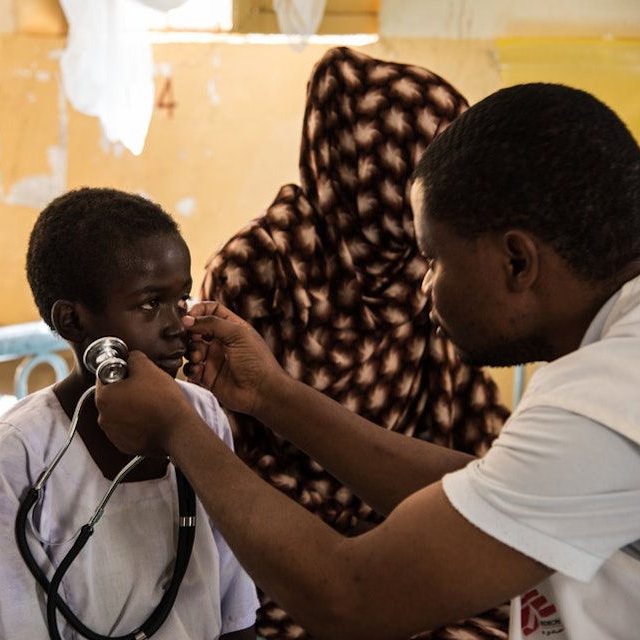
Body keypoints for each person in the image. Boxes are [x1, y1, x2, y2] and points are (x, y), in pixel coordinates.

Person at [93, 84, 640, 639]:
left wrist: (179, 428)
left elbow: (351, 596)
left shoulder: (609, 404)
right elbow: (489, 491)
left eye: (433, 259)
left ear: (517, 262)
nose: (422, 285)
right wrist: (270, 394)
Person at [200, 46, 510, 640]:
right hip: (284, 538)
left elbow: (482, 458)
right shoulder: (260, 268)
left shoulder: (427, 274)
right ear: (373, 166)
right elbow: (225, 454)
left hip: (416, 518)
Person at [0, 187, 258, 639]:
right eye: (148, 304)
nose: (178, 325)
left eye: (181, 299)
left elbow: (234, 599)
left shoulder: (202, 413)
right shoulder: (22, 447)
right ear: (73, 323)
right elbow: (3, 613)